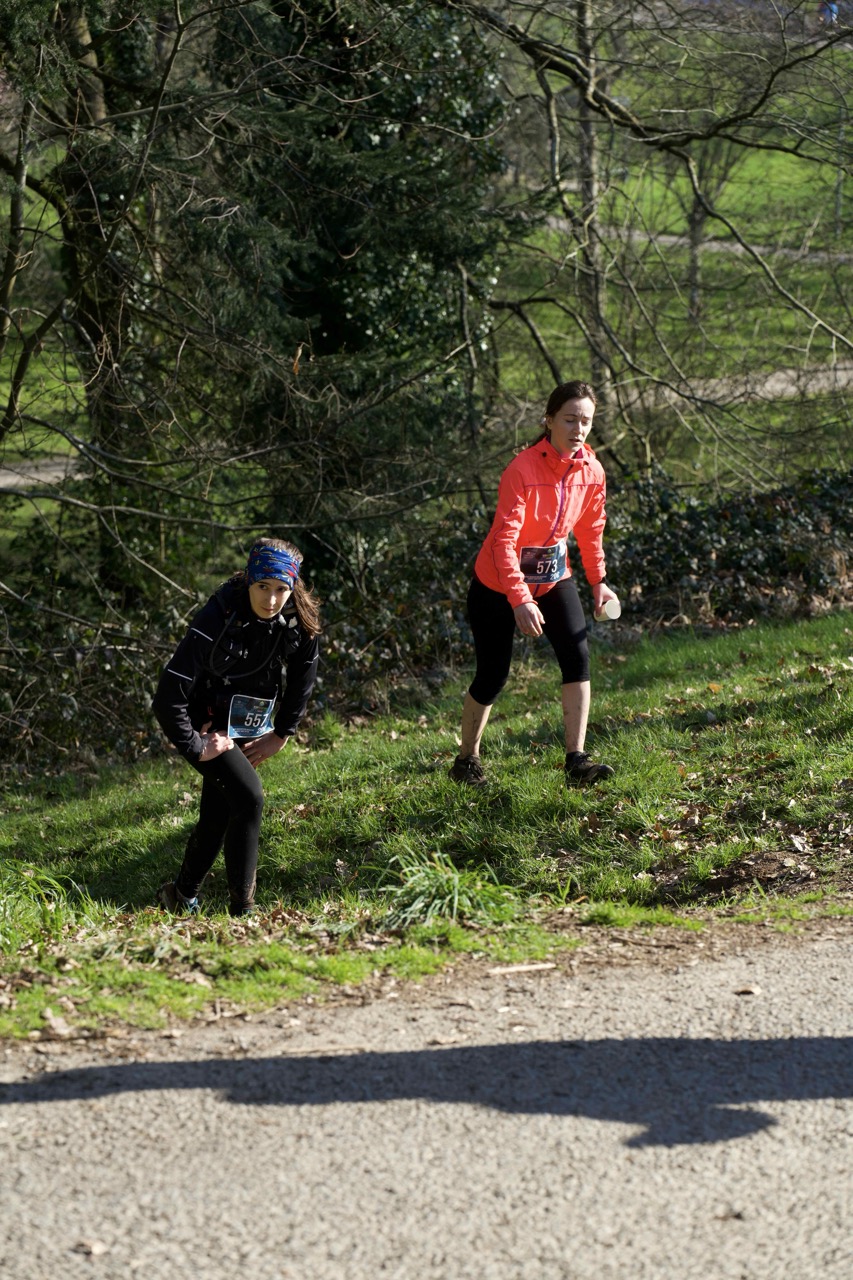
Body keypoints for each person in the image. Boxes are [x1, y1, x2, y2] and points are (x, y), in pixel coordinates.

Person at [449, 380, 618, 789]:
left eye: (586, 421)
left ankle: (577, 761)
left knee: (577, 658)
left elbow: (591, 530)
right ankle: (466, 760)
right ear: (549, 420)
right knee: (493, 675)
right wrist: (519, 598)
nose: (578, 429)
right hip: (497, 584)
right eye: (570, 419)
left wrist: (599, 581)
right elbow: (504, 540)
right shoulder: (521, 470)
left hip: (553, 578)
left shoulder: (593, 471)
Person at [152, 537, 321, 916]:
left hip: (248, 722)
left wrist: (282, 733)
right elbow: (167, 696)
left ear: (292, 587)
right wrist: (196, 746)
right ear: (249, 579)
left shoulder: (299, 616)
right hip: (205, 724)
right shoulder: (219, 613)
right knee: (249, 798)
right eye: (263, 586)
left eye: (281, 589)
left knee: (220, 809)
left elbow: (303, 677)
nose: (271, 599)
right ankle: (243, 912)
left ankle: (181, 896)